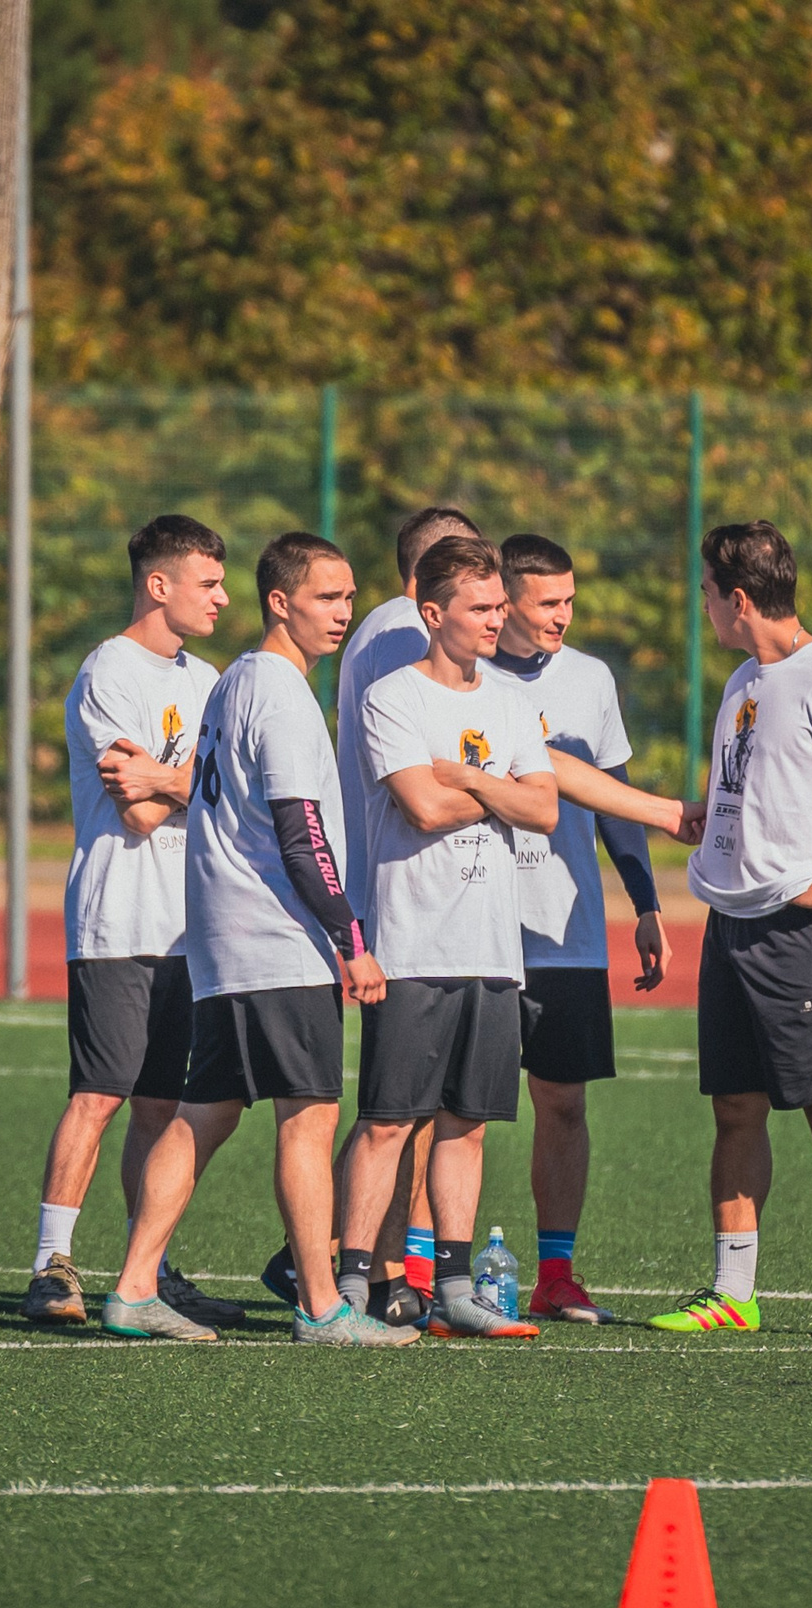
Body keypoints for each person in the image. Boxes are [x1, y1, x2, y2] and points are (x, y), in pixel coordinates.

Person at [103, 532, 414, 1346]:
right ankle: (321, 1305)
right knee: (309, 1115)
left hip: (221, 944)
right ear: (280, 601)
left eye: (349, 598)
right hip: (277, 941)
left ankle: (135, 1287)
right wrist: (350, 937)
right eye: (325, 598)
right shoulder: (277, 690)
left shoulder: (233, 679)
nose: (342, 613)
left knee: (201, 1114)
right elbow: (299, 829)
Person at [649, 521, 812, 1342]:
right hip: (731, 925)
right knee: (735, 1108)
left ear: (738, 598)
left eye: (705, 593)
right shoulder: (744, 679)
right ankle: (733, 1291)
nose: (702, 607)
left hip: (804, 929)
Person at [336, 533, 557, 1340]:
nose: (498, 619)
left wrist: (466, 776)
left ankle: (455, 1288)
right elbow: (420, 809)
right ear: (434, 613)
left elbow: (547, 808)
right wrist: (500, 788)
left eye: (501, 605)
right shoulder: (391, 696)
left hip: (494, 946)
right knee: (388, 1119)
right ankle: (350, 1283)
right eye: (481, 607)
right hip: (413, 942)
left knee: (468, 1122)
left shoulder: (506, 699)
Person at [22, 514, 238, 1331]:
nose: (222, 597)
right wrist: (191, 781)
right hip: (119, 919)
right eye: (207, 582)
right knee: (99, 1094)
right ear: (160, 584)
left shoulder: (211, 677)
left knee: (159, 1107)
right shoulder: (108, 670)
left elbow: (214, 792)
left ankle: (146, 1270)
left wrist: (173, 778)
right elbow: (138, 809)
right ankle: (51, 1264)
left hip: (192, 928)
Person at [268, 504, 482, 1317]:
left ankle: (377, 1261)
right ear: (429, 585)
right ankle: (353, 1262)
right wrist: (499, 789)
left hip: (393, 889)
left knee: (409, 1106)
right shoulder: (398, 635)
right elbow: (436, 775)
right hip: (401, 893)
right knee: (398, 1106)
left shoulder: (376, 633)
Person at [488, 532, 673, 1323]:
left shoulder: (591, 679)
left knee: (563, 1102)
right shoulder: (458, 676)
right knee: (442, 1110)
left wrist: (646, 902)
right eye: (548, 602)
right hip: (477, 928)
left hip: (568, 933)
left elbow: (612, 797)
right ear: (506, 601)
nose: (564, 615)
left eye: (570, 600)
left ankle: (556, 1272)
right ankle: (423, 1271)